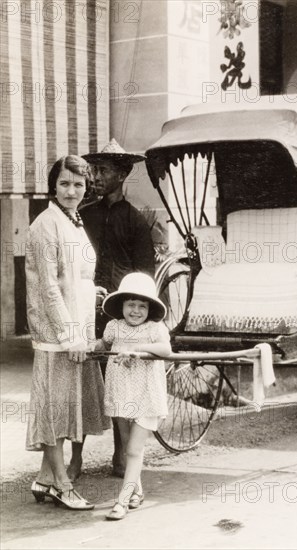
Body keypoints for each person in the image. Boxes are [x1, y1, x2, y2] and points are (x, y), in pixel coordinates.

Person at [67, 139, 156, 481]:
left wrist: (131, 309)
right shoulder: (84, 216)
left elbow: (145, 272)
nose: (96, 177)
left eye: (103, 171)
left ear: (122, 174)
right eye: (94, 170)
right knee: (84, 383)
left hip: (120, 313)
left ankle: (122, 452)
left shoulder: (135, 221)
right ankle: (76, 459)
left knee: (121, 382)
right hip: (87, 309)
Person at [25, 155, 110, 510]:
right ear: (53, 186)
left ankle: (45, 479)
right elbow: (48, 288)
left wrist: (93, 291)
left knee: (68, 407)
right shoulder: (46, 224)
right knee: (55, 410)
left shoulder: (72, 221)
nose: (71, 190)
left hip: (78, 327)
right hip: (58, 335)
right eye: (64, 183)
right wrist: (71, 336)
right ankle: (61, 484)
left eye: (78, 184)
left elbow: (73, 277)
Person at [93, 272, 171, 521]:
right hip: (120, 392)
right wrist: (86, 347)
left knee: (135, 450)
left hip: (146, 395)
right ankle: (137, 491)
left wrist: (137, 348)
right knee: (128, 448)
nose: (135, 311)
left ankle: (123, 500)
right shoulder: (114, 327)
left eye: (142, 306)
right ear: (122, 305)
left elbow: (166, 350)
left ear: (150, 308)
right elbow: (103, 345)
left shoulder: (155, 329)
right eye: (130, 305)